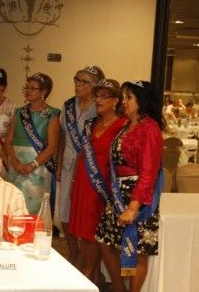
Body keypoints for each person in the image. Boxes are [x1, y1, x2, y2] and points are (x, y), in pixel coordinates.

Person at [95, 80, 163, 292]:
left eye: (129, 98)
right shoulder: (127, 124)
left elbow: (149, 172)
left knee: (136, 248)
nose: (124, 102)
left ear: (141, 101)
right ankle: (119, 288)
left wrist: (133, 207)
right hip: (118, 193)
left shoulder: (150, 128)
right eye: (124, 97)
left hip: (138, 197)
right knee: (105, 241)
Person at [68, 79, 126, 284]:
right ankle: (90, 275)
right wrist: (74, 179)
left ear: (116, 100)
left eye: (104, 96)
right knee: (83, 233)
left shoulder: (124, 124)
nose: (98, 100)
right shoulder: (91, 123)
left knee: (96, 232)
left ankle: (89, 274)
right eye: (97, 96)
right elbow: (82, 154)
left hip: (104, 185)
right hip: (84, 181)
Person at [57, 65, 105, 263]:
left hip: (90, 169)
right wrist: (59, 164)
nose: (78, 84)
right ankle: (73, 251)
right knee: (64, 212)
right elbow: (62, 136)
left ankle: (88, 259)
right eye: (76, 79)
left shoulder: (100, 107)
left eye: (84, 81)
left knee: (87, 214)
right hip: (68, 165)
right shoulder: (68, 106)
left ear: (95, 86)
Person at [5, 73, 60, 214]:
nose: (28, 91)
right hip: (16, 166)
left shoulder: (52, 114)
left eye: (33, 88)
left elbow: (52, 146)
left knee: (35, 208)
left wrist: (32, 165)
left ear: (44, 92)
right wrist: (14, 161)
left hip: (38, 168)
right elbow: (8, 141)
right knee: (13, 205)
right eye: (27, 88)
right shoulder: (19, 113)